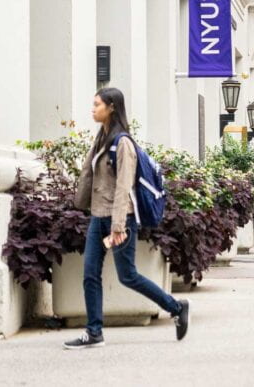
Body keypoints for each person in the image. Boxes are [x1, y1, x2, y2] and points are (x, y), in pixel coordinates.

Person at [65, 87, 190, 349]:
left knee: (127, 275)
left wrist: (118, 225)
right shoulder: (101, 138)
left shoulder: (122, 143)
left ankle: (176, 307)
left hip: (119, 219)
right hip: (98, 217)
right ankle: (94, 331)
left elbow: (124, 187)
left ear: (111, 107)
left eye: (96, 104)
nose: (92, 108)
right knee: (90, 275)